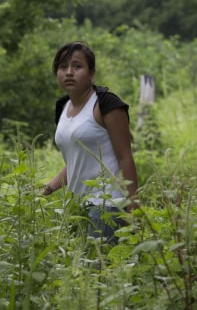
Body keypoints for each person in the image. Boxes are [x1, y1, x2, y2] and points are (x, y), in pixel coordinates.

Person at [42, 40, 138, 243]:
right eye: (63, 67)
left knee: (100, 270)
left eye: (77, 66)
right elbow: (76, 161)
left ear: (91, 72)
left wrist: (133, 207)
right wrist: (47, 189)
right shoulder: (62, 106)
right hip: (77, 207)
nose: (69, 72)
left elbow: (125, 157)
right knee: (81, 271)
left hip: (107, 205)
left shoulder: (107, 104)